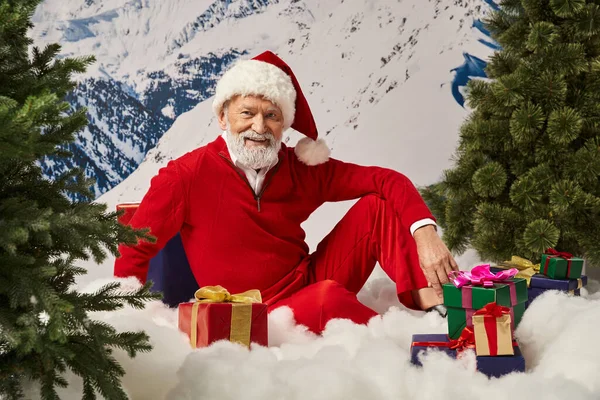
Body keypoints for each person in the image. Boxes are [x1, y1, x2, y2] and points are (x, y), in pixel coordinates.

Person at [114, 50, 458, 334]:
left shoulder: (298, 168)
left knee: (375, 208)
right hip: (252, 317)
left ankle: (436, 304)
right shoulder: (185, 175)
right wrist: (127, 321)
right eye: (247, 113)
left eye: (272, 116)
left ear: (284, 123)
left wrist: (426, 235)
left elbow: (386, 180)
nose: (259, 127)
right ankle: (403, 346)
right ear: (223, 117)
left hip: (306, 279)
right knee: (328, 299)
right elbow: (134, 245)